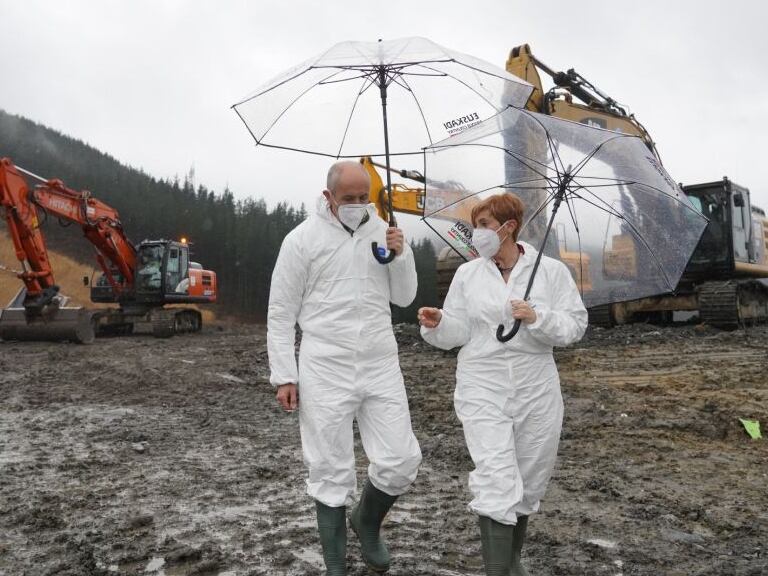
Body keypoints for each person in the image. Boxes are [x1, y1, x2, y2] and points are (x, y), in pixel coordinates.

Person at [418, 193, 587, 576]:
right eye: (476, 225)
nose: (476, 234)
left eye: (484, 226)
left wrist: (536, 316)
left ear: (508, 227)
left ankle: (511, 562)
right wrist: (439, 322)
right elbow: (461, 330)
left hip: (536, 385)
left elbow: (576, 325)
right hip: (482, 381)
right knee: (495, 475)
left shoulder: (552, 272)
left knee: (529, 477)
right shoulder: (468, 274)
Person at [267, 160, 422, 575]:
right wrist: (284, 375)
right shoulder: (301, 240)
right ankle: (336, 565)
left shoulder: (382, 232)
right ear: (328, 197)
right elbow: (281, 312)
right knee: (330, 466)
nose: (357, 205)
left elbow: (405, 298)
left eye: (363, 198)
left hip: (379, 361)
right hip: (325, 365)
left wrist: (400, 255)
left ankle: (366, 523)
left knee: (401, 459)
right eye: (349, 199)